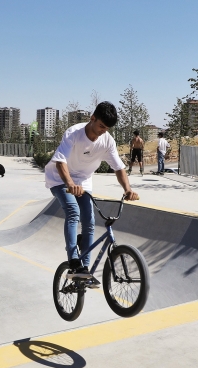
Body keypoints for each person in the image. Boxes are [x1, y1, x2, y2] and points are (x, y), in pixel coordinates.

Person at [44, 101, 139, 287]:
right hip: (60, 179)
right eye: (101, 126)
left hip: (83, 182)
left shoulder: (107, 141)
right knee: (73, 211)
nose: (103, 131)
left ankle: (84, 271)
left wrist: (127, 189)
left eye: (107, 128)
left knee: (90, 221)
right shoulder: (74, 133)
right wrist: (70, 184)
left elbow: (118, 168)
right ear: (92, 118)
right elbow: (60, 161)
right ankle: (73, 260)